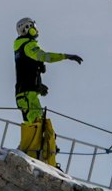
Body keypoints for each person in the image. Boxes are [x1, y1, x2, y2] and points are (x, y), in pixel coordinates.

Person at [13, 16, 81, 165]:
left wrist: (38, 85)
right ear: (27, 28)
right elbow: (45, 56)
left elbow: (27, 68)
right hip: (26, 95)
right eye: (33, 26)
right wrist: (66, 56)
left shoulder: (22, 47)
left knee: (36, 124)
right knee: (36, 126)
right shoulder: (28, 45)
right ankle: (32, 156)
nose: (35, 30)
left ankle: (38, 154)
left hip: (26, 94)